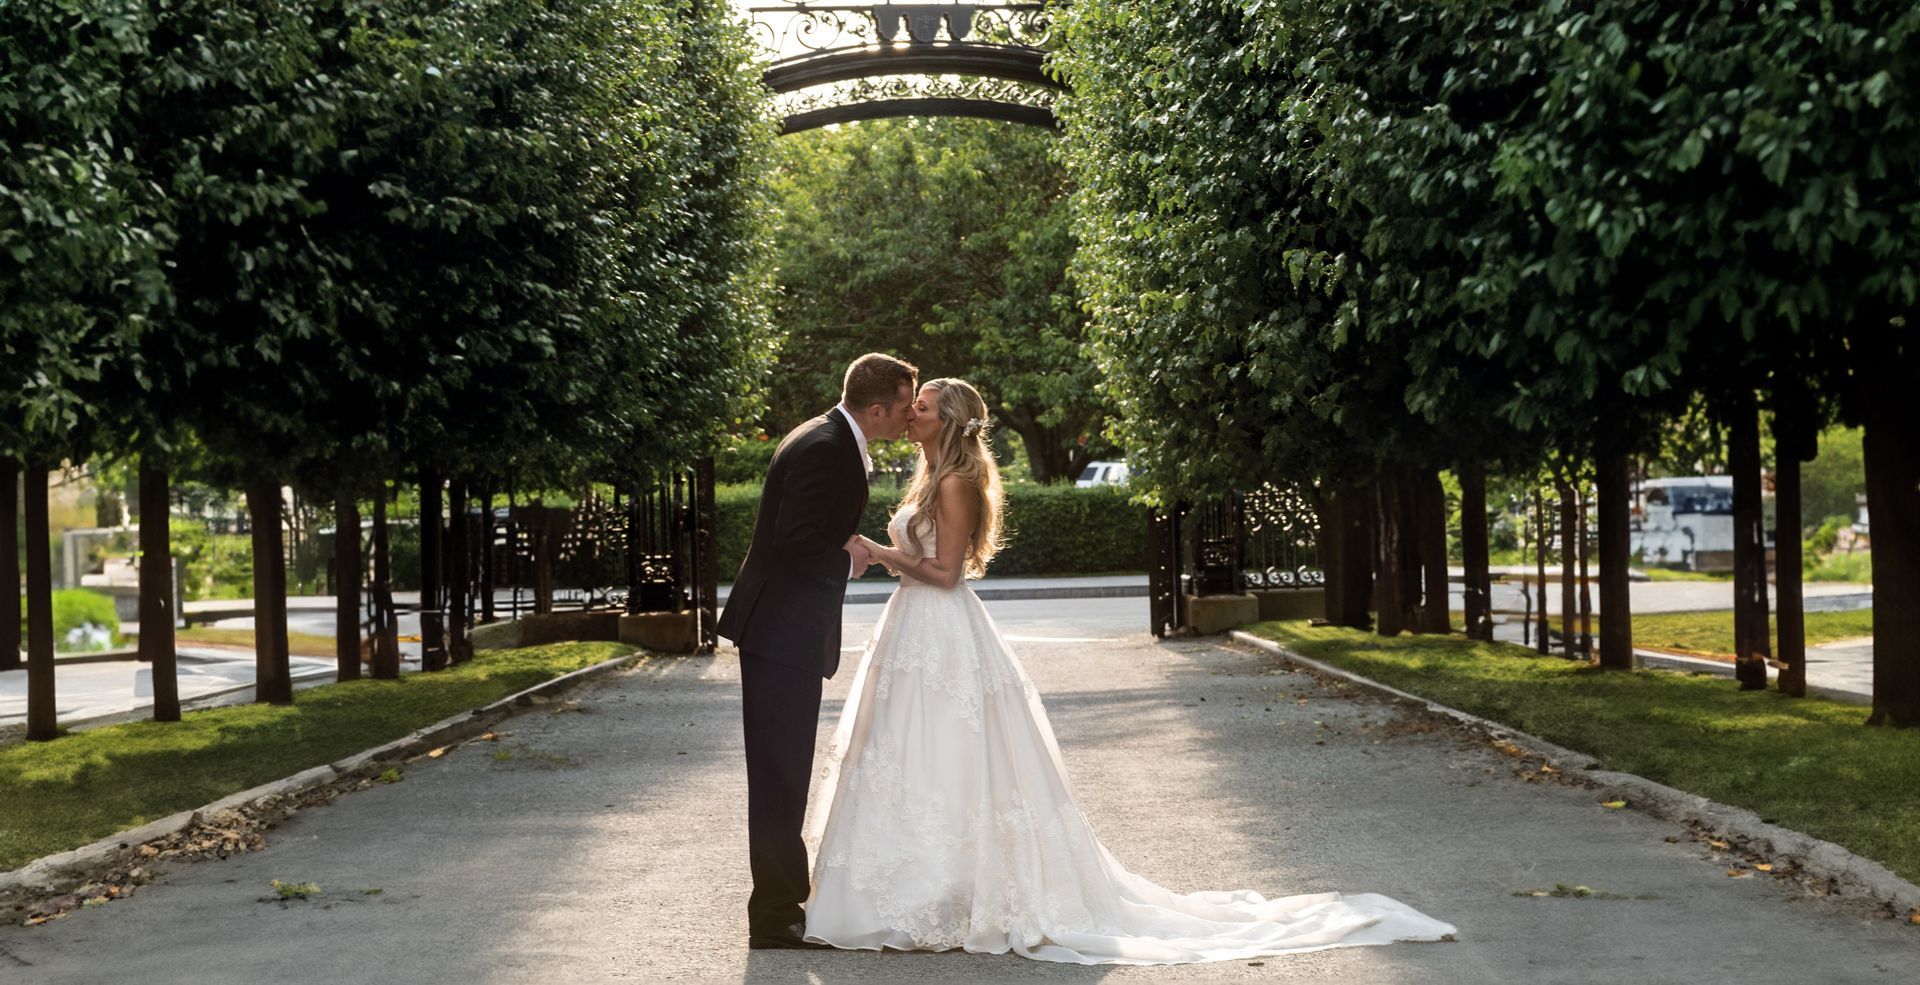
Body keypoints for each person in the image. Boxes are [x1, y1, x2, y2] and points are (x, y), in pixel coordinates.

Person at [802, 378, 1457, 964]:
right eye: (910, 406)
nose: (911, 415)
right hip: (915, 630)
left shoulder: (955, 482)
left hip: (943, 630)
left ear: (947, 420)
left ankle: (950, 888)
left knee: (948, 753)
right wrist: (886, 555)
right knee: (911, 756)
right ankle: (913, 881)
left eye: (921, 407)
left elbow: (947, 573)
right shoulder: (930, 476)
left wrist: (878, 549)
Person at [716, 351, 918, 950]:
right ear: (877, 408)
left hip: (784, 629)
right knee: (779, 775)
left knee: (784, 772)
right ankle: (774, 918)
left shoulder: (824, 434)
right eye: (904, 407)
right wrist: (848, 559)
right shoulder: (827, 446)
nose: (909, 417)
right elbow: (795, 540)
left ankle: (784, 904)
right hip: (780, 630)